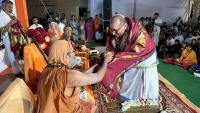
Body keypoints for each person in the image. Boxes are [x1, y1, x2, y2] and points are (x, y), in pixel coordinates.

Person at [35, 40, 113, 113]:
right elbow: (98, 77)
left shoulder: (46, 70)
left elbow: (81, 76)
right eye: (72, 51)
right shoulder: (68, 74)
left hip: (47, 109)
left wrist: (95, 66)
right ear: (66, 57)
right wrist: (106, 61)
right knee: (95, 109)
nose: (74, 54)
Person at [102, 14, 158, 107]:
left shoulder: (139, 32)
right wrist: (110, 52)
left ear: (124, 26)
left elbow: (138, 50)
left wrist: (115, 57)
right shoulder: (114, 30)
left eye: (115, 31)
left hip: (144, 57)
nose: (113, 33)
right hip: (128, 56)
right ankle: (125, 93)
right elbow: (111, 44)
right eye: (112, 30)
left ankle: (139, 99)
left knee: (115, 65)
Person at [0, 0, 20, 74]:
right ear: (4, 6)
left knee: (17, 55)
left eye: (12, 7)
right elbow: (2, 31)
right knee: (12, 56)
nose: (11, 9)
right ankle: (17, 72)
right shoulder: (1, 16)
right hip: (8, 39)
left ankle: (20, 69)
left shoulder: (10, 14)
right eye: (9, 7)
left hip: (15, 37)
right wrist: (11, 23)